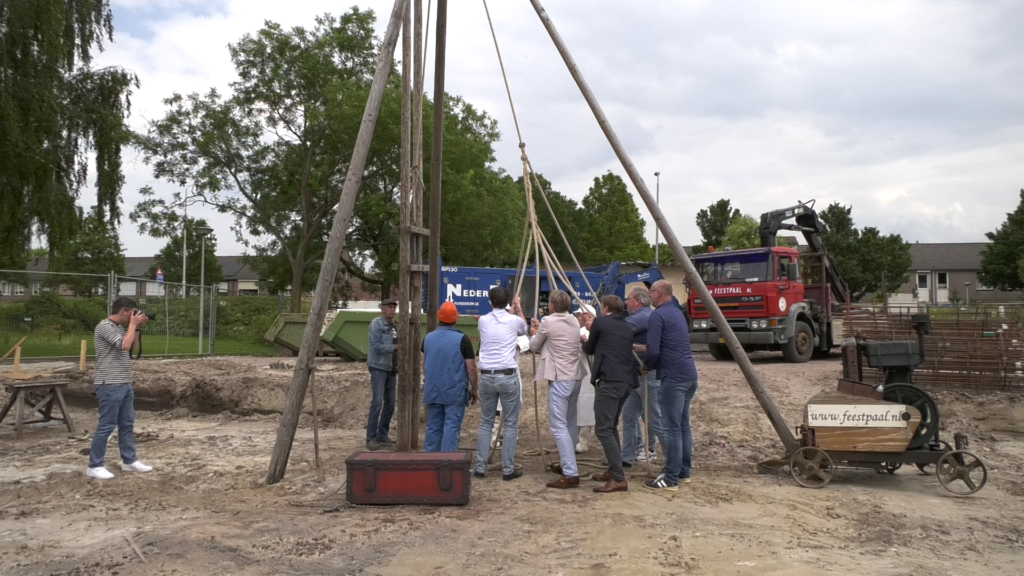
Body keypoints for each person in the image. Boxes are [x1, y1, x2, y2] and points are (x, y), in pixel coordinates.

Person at [641, 280, 699, 491]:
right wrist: (639, 348)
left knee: (671, 428)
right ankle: (684, 472)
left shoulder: (657, 315)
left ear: (658, 293)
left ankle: (671, 478)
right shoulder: (676, 313)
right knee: (682, 425)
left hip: (672, 378)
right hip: (689, 375)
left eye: (651, 292)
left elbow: (654, 350)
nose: (649, 295)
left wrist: (647, 365)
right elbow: (667, 344)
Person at [86, 297, 154, 480]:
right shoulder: (104, 326)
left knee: (127, 424)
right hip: (109, 383)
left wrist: (137, 328)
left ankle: (129, 460)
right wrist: (132, 326)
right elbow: (123, 346)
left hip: (124, 382)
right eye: (132, 312)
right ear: (124, 311)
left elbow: (133, 348)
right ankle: (95, 465)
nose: (134, 316)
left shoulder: (120, 328)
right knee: (107, 425)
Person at [529, 290, 588, 489]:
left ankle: (570, 472)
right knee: (570, 423)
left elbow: (535, 345)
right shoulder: (573, 320)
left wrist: (535, 332)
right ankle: (567, 464)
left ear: (552, 306)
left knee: (558, 425)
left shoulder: (548, 321)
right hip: (575, 376)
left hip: (561, 377)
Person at [582, 295, 637, 493]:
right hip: (627, 382)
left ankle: (619, 478)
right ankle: (614, 471)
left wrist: (584, 338)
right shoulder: (627, 326)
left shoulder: (601, 322)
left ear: (605, 308)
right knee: (611, 426)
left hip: (610, 381)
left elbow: (589, 349)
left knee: (603, 429)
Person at [474, 286, 528, 481]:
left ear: (490, 302)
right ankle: (508, 469)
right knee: (511, 424)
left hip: (487, 375)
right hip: (507, 375)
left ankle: (480, 467)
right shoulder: (514, 320)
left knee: (486, 422)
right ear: (508, 303)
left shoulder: (483, 321)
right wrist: (519, 308)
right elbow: (524, 329)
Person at [422, 302, 478, 452]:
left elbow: (423, 363)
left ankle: (430, 462)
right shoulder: (463, 339)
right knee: (451, 426)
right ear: (456, 318)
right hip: (454, 392)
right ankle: (448, 463)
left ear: (438, 317)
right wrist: (475, 389)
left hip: (432, 390)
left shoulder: (428, 338)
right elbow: (471, 367)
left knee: (433, 426)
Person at [621, 286, 663, 468]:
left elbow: (620, 332)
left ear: (637, 300)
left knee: (653, 417)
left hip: (646, 374)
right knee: (629, 415)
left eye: (628, 299)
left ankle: (660, 454)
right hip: (635, 374)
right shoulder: (643, 316)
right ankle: (627, 456)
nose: (626, 302)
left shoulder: (643, 316)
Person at [366, 299, 398, 451]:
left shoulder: (394, 326)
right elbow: (378, 347)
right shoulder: (377, 324)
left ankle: (382, 434)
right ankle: (371, 437)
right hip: (378, 367)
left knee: (390, 403)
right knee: (377, 402)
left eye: (394, 307)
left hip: (392, 368)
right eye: (390, 307)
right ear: (383, 309)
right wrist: (396, 347)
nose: (393, 310)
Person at [573, 304, 596, 453]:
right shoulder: (573, 330)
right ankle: (574, 439)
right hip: (574, 374)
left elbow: (589, 348)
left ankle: (583, 441)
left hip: (587, 375)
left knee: (586, 406)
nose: (576, 318)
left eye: (579, 315)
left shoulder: (591, 331)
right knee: (574, 407)